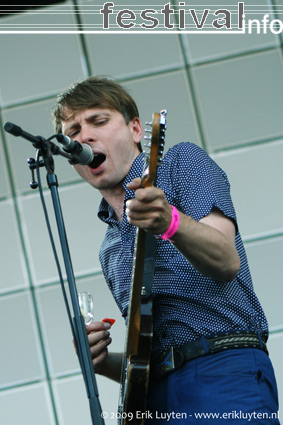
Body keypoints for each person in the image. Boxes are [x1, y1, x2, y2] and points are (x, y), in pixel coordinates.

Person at [52, 76, 280, 423]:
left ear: (136, 129)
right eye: (73, 132)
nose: (84, 136)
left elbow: (226, 258)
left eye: (98, 121)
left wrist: (170, 223)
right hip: (156, 403)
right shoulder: (109, 248)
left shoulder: (179, 164)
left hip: (222, 372)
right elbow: (146, 360)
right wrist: (102, 361)